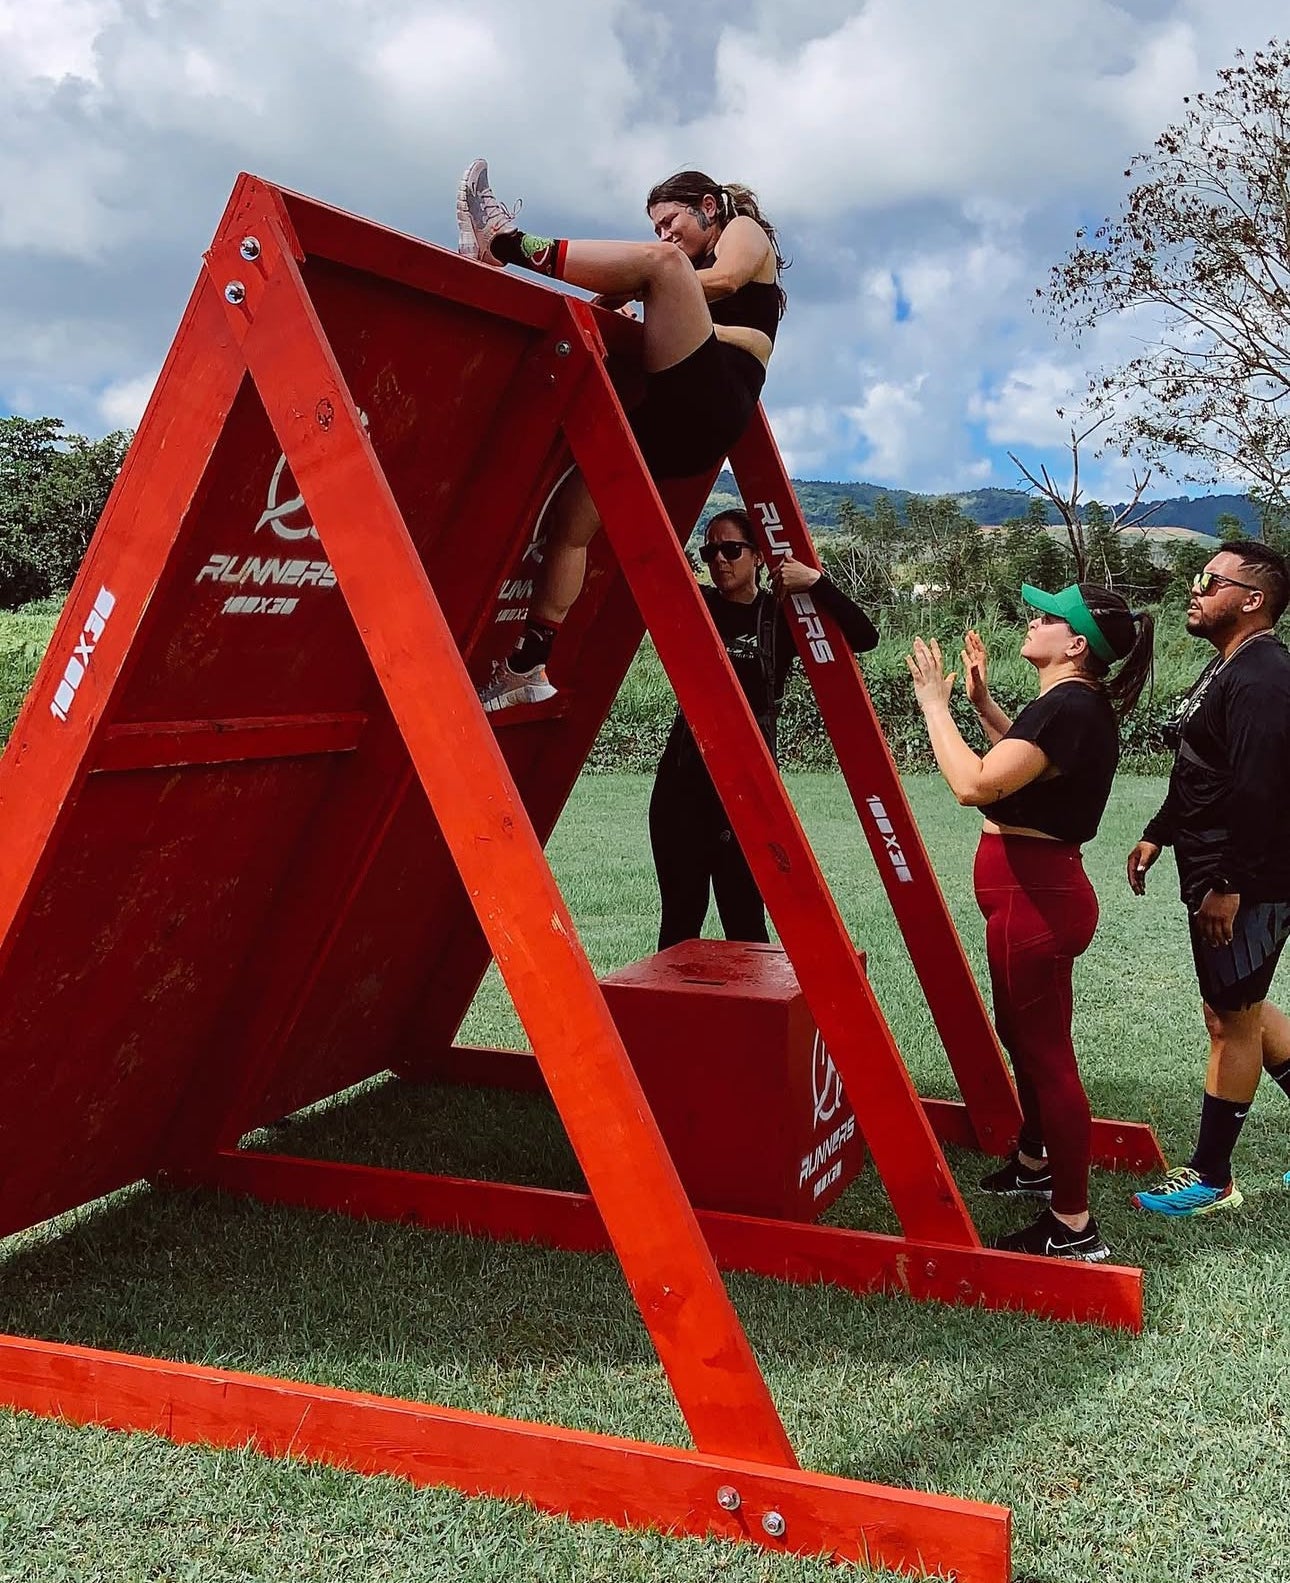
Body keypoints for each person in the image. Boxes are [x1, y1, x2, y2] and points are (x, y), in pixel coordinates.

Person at [455, 159, 787, 713]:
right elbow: (644, 292)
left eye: (670, 219)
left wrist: (650, 283)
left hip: (713, 400)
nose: (664, 234)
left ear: (708, 208)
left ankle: (507, 244)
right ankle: (529, 663)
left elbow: (722, 282)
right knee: (572, 522)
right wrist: (607, 298)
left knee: (660, 268)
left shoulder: (741, 232)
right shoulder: (684, 267)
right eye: (656, 226)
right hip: (675, 418)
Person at [907, 583, 1154, 1261]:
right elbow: (1028, 763)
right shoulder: (1068, 705)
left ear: (1076, 644)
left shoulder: (1070, 705)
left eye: (1049, 617)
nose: (1033, 621)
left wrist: (936, 707)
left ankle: (1073, 1226)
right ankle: (1037, 1159)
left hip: (1036, 899)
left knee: (1048, 1057)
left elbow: (977, 783)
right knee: (1022, 1031)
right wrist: (984, 703)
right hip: (1033, 894)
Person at [1126, 542, 1290, 1218]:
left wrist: (1229, 882)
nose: (1194, 590)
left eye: (1209, 581)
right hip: (1220, 870)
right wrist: (1159, 831)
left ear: (1252, 599)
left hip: (1246, 877)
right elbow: (1203, 767)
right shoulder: (1228, 667)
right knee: (1237, 1011)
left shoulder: (1263, 678)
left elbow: (1264, 791)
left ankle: (1211, 1178)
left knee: (1231, 1022)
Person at [650, 509, 878, 950]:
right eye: (709, 551)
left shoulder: (780, 618)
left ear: (757, 556)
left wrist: (815, 581)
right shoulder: (696, 605)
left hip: (749, 789)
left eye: (731, 549)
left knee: (746, 923)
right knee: (679, 924)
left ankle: (752, 1018)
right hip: (684, 784)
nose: (719, 560)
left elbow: (865, 638)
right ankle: (677, 1017)